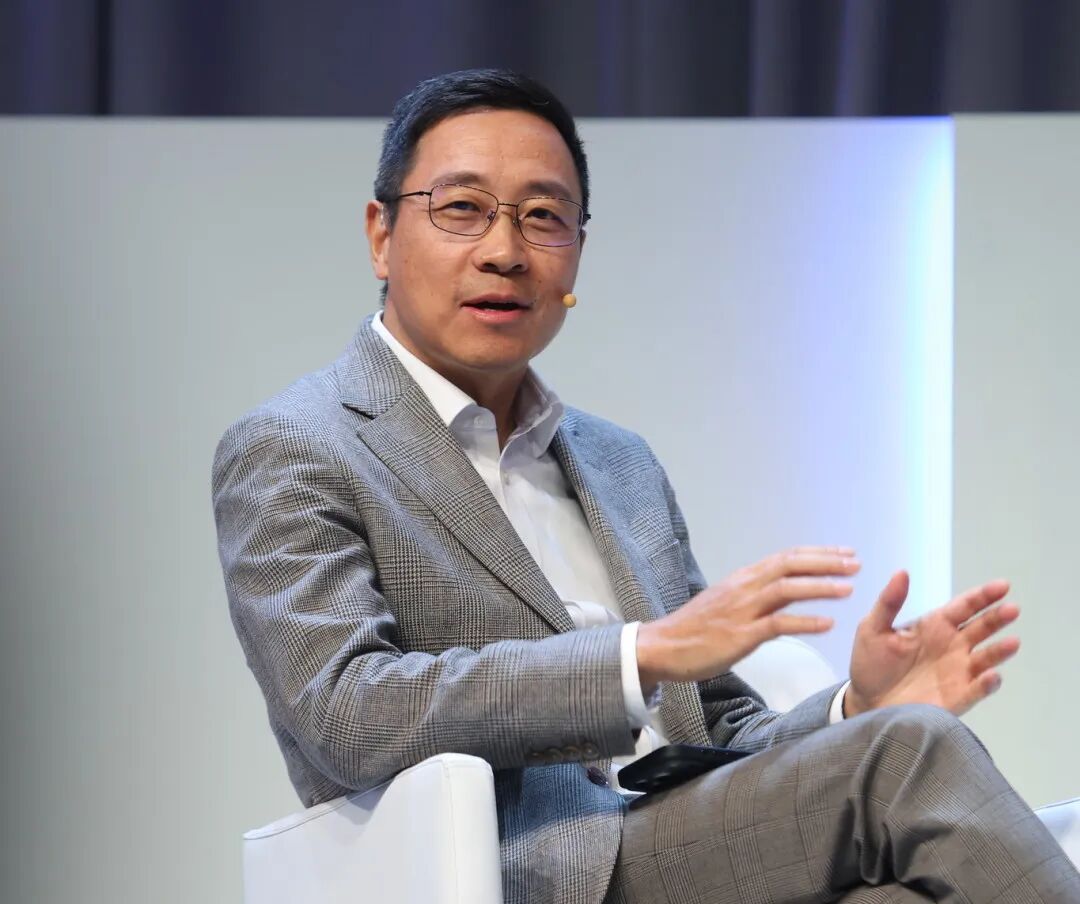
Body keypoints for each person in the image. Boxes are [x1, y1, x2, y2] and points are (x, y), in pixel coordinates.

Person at [212, 69, 1080, 903]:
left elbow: (722, 734)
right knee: (910, 755)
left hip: (696, 840)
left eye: (543, 217)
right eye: (463, 209)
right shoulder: (298, 445)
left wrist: (856, 708)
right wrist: (641, 656)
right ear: (381, 233)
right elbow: (345, 713)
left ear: (578, 252)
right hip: (538, 869)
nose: (505, 252)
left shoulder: (618, 461)